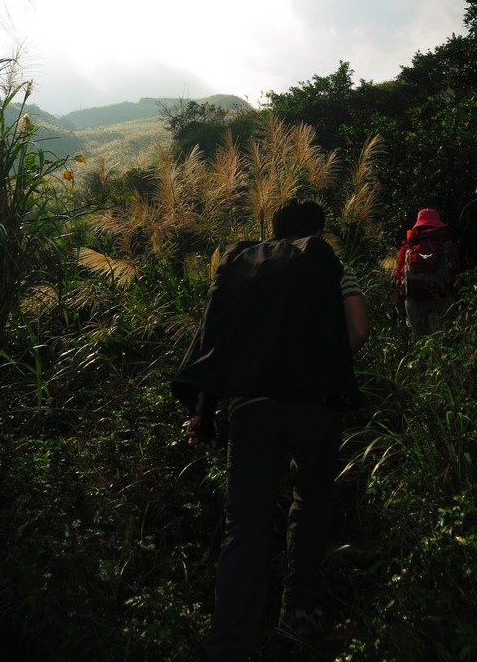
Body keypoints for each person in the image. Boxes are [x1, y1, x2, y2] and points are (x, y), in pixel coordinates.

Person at [171, 198, 369, 662]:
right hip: (315, 409)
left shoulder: (245, 265)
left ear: (273, 228)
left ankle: (230, 644)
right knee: (311, 504)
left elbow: (213, 340)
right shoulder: (328, 262)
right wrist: (325, 370)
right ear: (319, 230)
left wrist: (204, 410)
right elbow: (358, 330)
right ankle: (299, 617)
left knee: (244, 524)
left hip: (252, 408)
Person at [390, 207, 459, 336]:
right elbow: (454, 272)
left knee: (420, 341)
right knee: (441, 340)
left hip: (413, 301)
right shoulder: (444, 244)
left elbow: (399, 276)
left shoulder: (409, 245)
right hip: (440, 300)